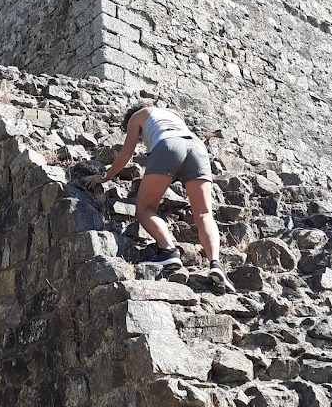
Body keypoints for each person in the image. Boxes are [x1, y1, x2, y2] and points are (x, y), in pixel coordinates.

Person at [84, 102, 235, 290]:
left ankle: (169, 251)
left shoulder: (138, 115)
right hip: (197, 149)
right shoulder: (172, 115)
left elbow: (126, 154)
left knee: (145, 209)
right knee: (204, 214)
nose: (141, 139)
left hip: (169, 146)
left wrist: (105, 176)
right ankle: (215, 264)